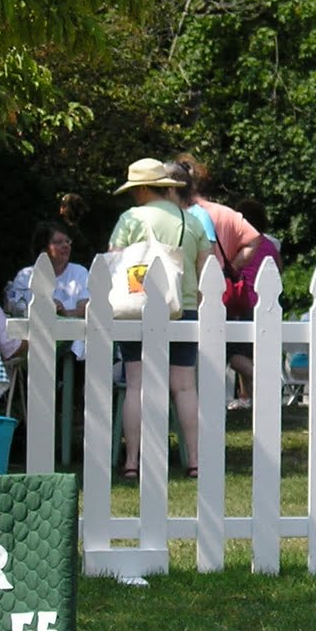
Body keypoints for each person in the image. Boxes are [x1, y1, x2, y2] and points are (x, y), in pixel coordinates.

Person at [108, 157, 213, 478]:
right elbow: (206, 267)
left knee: (136, 383)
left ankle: (132, 462)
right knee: (183, 386)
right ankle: (194, 460)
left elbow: (113, 261)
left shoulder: (130, 219)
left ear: (140, 190)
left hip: (136, 308)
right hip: (183, 308)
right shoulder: (190, 220)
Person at [223, 198, 283, 410]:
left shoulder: (240, 244)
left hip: (242, 303)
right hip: (266, 304)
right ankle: (250, 398)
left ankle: (266, 383)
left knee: (233, 354)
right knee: (253, 351)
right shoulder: (269, 245)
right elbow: (279, 270)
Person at [168, 154, 262, 280]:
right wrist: (234, 266)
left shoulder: (183, 214)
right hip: (219, 282)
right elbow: (254, 239)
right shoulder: (226, 213)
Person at [5, 219, 89, 360]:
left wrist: (63, 312)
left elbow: (85, 307)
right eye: (58, 242)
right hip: (34, 342)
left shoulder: (79, 272)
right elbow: (14, 308)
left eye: (67, 241)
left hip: (71, 343)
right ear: (43, 249)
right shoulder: (25, 276)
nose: (65, 246)